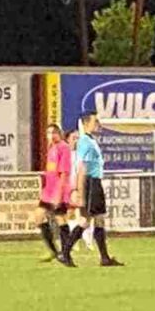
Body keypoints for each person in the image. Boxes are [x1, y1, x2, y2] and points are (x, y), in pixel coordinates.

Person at [59, 112, 123, 268]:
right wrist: (80, 191)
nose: (98, 123)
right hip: (90, 183)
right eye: (95, 121)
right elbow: (81, 167)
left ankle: (105, 258)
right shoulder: (85, 142)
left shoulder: (90, 140)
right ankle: (65, 252)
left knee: (99, 218)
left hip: (96, 182)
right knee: (86, 220)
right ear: (86, 123)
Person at [35, 124, 72, 261]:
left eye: (52, 133)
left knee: (60, 219)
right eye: (48, 133)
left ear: (58, 134)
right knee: (38, 216)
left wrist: (59, 194)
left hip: (58, 190)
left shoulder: (64, 148)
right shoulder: (52, 148)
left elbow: (63, 173)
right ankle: (54, 251)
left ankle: (65, 252)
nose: (50, 136)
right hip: (48, 191)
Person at [65, 129, 94, 252]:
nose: (76, 141)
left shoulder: (82, 154)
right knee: (70, 214)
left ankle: (88, 241)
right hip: (69, 187)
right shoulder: (65, 154)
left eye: (78, 138)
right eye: (74, 138)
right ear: (68, 139)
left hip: (82, 186)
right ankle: (73, 242)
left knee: (86, 214)